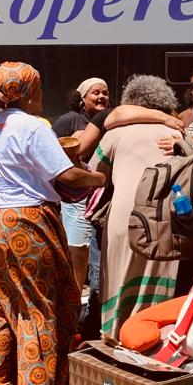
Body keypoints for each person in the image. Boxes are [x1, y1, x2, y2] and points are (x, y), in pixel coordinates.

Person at [0, 61, 104, 385]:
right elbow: (68, 174)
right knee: (39, 309)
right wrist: (100, 177)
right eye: (40, 88)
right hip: (25, 221)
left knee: (1, 306)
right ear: (30, 93)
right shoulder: (33, 126)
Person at [90, 75, 187, 339]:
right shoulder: (176, 134)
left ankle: (113, 337)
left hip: (124, 217)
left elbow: (95, 173)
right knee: (156, 282)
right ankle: (149, 342)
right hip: (164, 218)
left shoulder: (116, 133)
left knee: (118, 278)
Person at [51, 77, 110, 304]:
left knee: (93, 249)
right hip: (75, 197)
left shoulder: (110, 121)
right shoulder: (69, 120)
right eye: (96, 92)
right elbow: (52, 155)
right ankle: (73, 301)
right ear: (82, 98)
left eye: (105, 92)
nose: (101, 96)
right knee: (78, 249)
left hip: (100, 195)